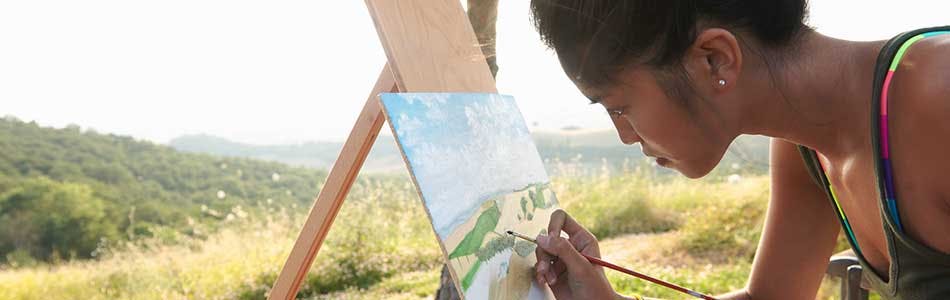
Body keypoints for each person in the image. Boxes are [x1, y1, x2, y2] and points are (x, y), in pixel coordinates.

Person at [528, 1, 950, 299]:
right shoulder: (806, 147)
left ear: (714, 59)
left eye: (619, 107)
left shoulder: (936, 98)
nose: (624, 135)